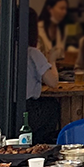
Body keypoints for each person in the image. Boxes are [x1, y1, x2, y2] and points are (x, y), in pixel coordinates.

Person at [26, 8, 60, 144]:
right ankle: (42, 146)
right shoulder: (32, 52)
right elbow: (53, 82)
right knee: (52, 106)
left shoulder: (7, 49)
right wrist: (52, 60)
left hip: (10, 108)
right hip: (29, 109)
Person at [36, 0, 69, 64]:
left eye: (66, 9)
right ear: (49, 9)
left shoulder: (62, 29)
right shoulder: (38, 28)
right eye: (61, 8)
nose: (64, 12)